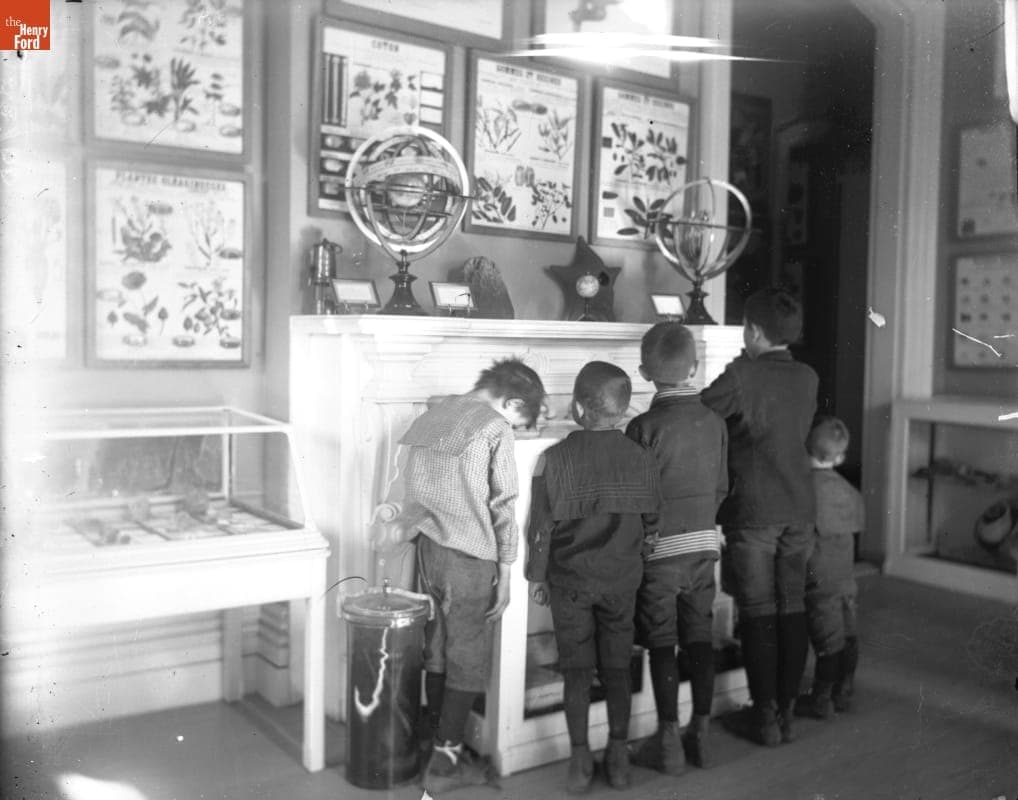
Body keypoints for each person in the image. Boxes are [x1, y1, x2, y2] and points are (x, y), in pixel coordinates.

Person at [378, 357, 546, 796]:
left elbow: (412, 485)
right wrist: (507, 573)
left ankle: (432, 743)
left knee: (436, 650)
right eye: (519, 418)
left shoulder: (437, 412)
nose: (515, 426)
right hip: (470, 559)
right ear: (510, 402)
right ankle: (446, 759)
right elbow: (504, 506)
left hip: (429, 549)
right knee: (468, 657)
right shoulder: (493, 428)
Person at [525, 361, 660, 794]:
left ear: (579, 408)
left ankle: (580, 758)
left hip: (570, 584)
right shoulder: (641, 457)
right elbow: (653, 519)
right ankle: (618, 756)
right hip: (622, 581)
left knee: (577, 671)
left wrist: (537, 577)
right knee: (618, 667)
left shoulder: (553, 459)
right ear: (623, 411)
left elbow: (541, 529)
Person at [700, 287, 818, 747]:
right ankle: (786, 711)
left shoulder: (742, 375)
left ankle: (764, 714)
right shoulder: (807, 377)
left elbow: (699, 413)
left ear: (751, 331)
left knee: (758, 611)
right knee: (793, 606)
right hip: (799, 507)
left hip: (753, 509)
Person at [625, 323, 728, 774]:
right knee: (700, 637)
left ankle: (667, 743)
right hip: (704, 546)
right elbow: (722, 486)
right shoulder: (715, 420)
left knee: (662, 644)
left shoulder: (642, 426)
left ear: (645, 372)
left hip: (659, 553)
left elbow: (634, 497)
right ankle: (701, 735)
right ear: (696, 368)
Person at [794, 416, 865, 719]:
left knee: (827, 640)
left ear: (807, 448)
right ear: (840, 457)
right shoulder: (848, 491)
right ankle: (844, 691)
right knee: (848, 632)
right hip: (845, 577)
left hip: (818, 579)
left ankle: (821, 698)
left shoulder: (803, 489)